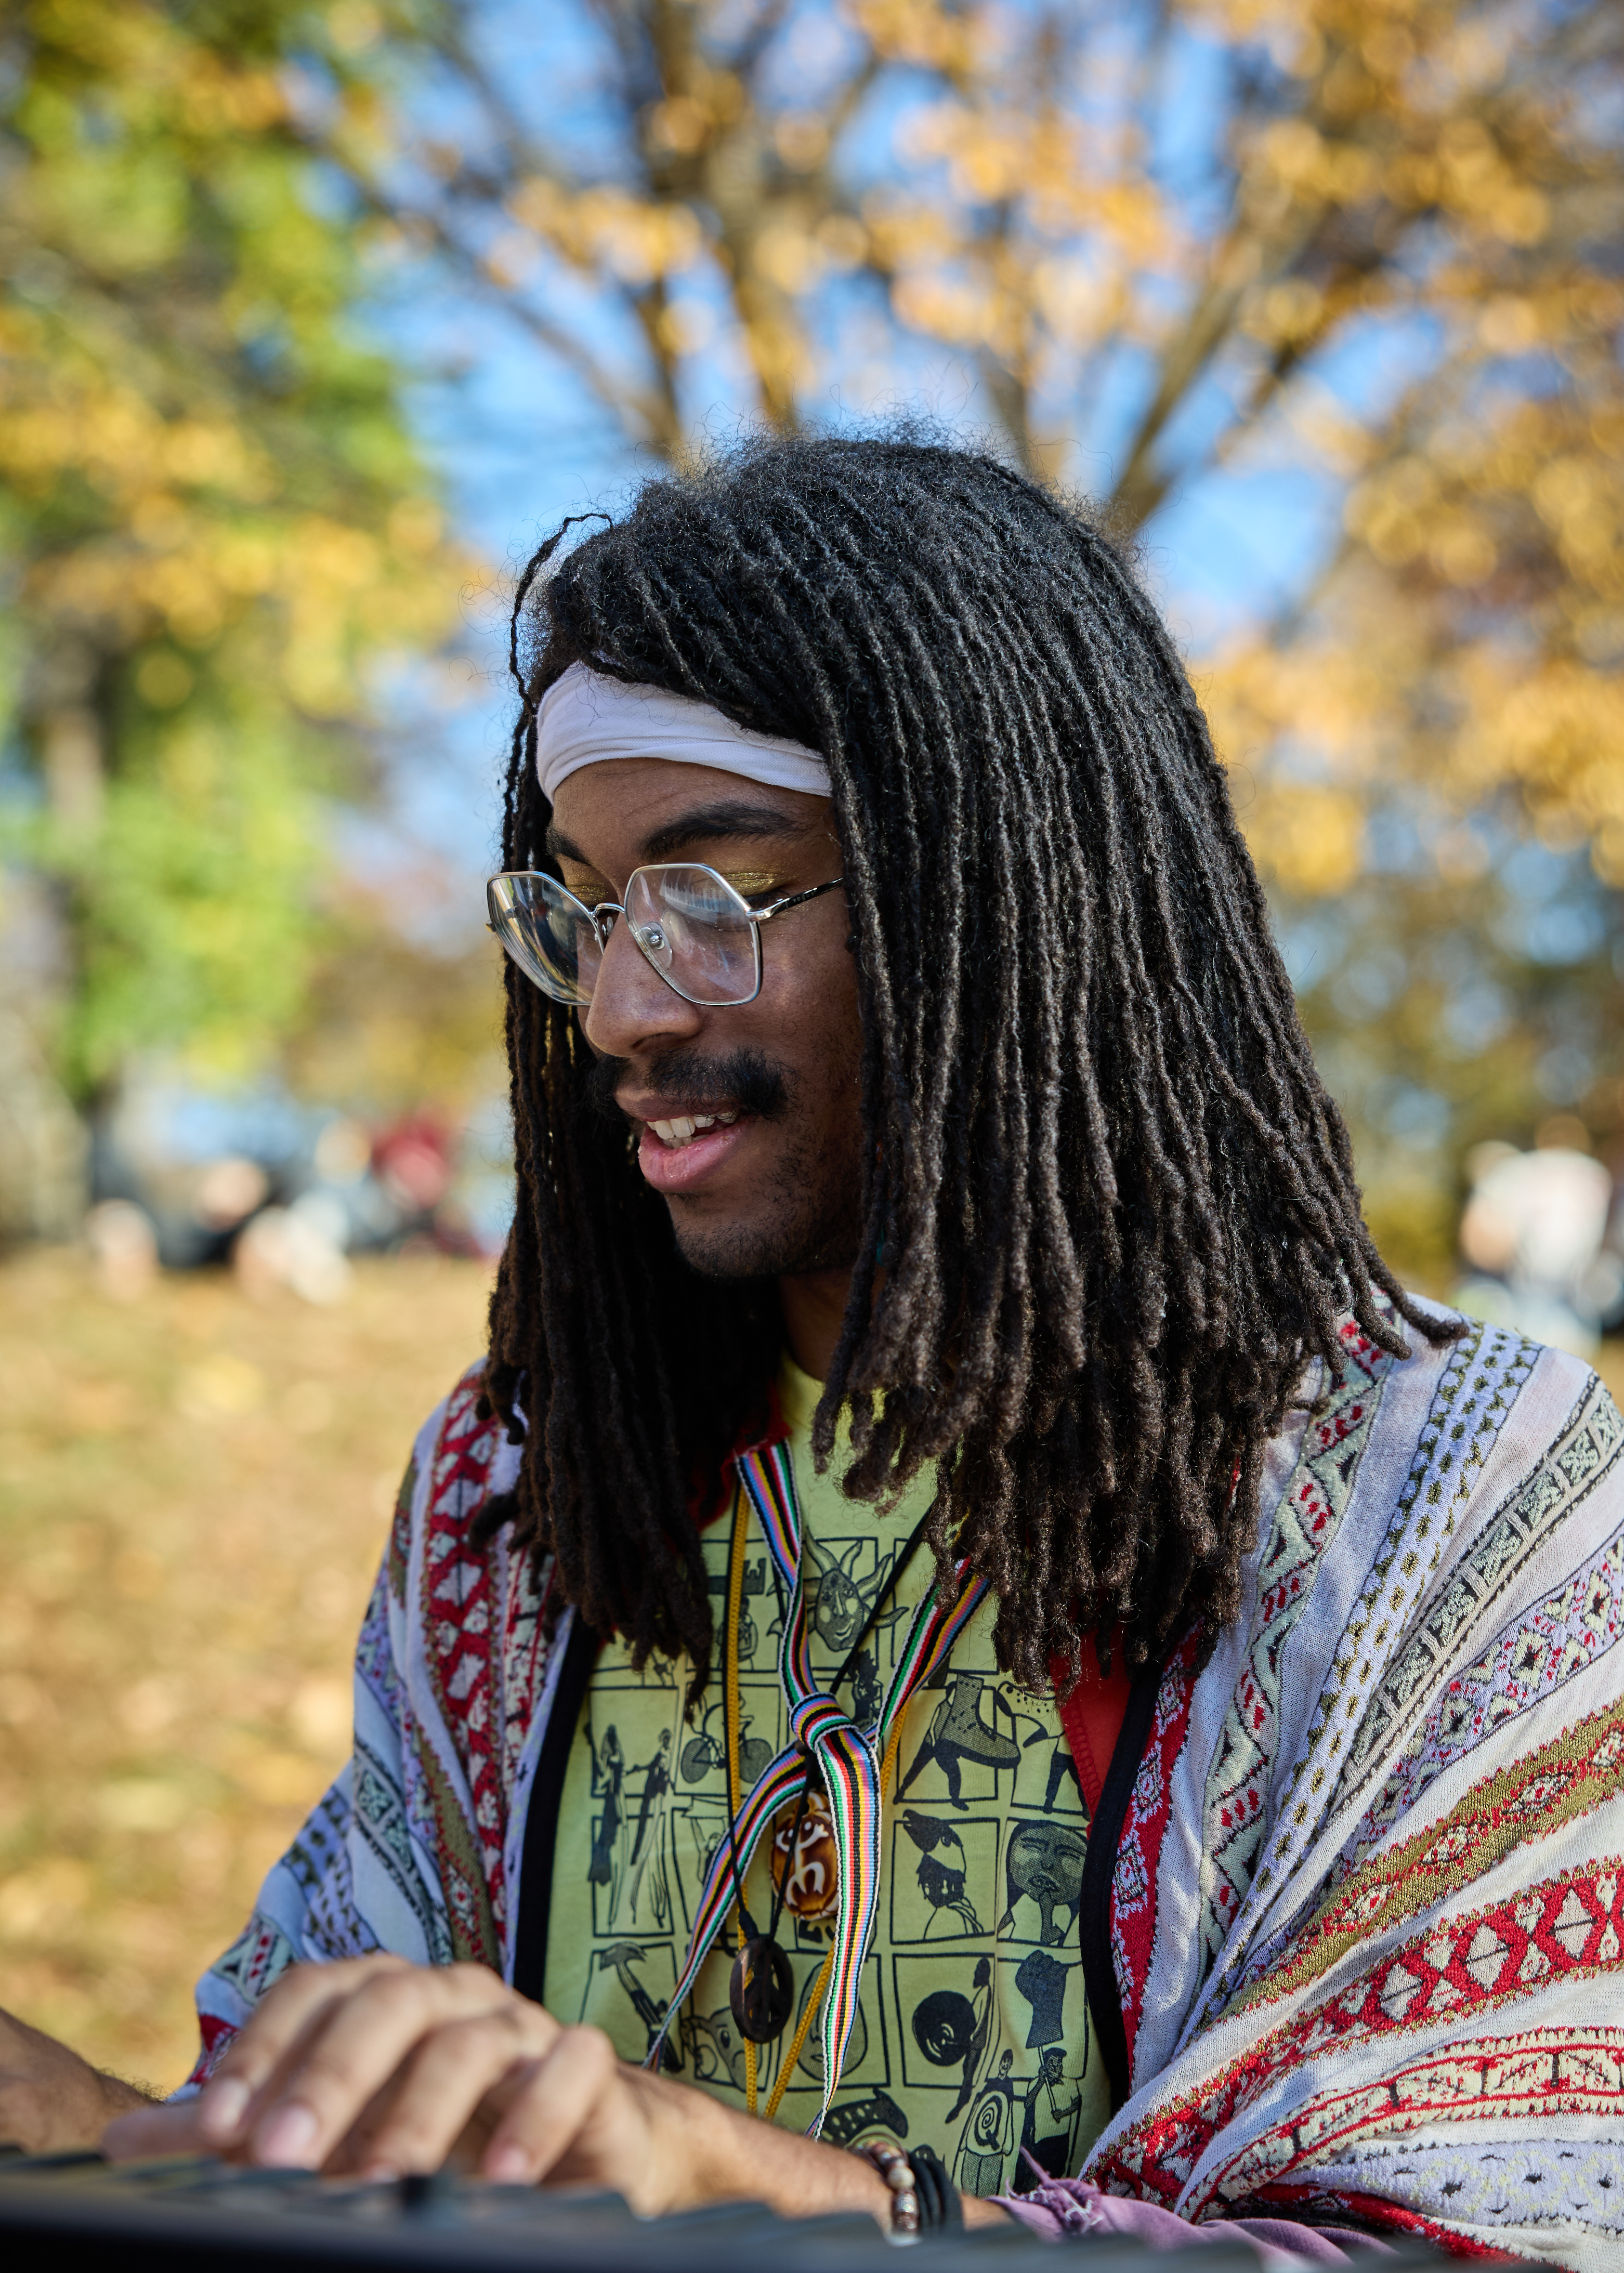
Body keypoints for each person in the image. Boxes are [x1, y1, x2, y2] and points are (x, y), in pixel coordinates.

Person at [9, 438, 1621, 2265]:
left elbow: (1471, 2243)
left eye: (713, 897)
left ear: (995, 905)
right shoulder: (525, 1484)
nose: (620, 1006)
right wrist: (111, 2141)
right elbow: (345, 2147)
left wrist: (752, 2190)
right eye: (586, 906)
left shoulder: (1449, 1503)